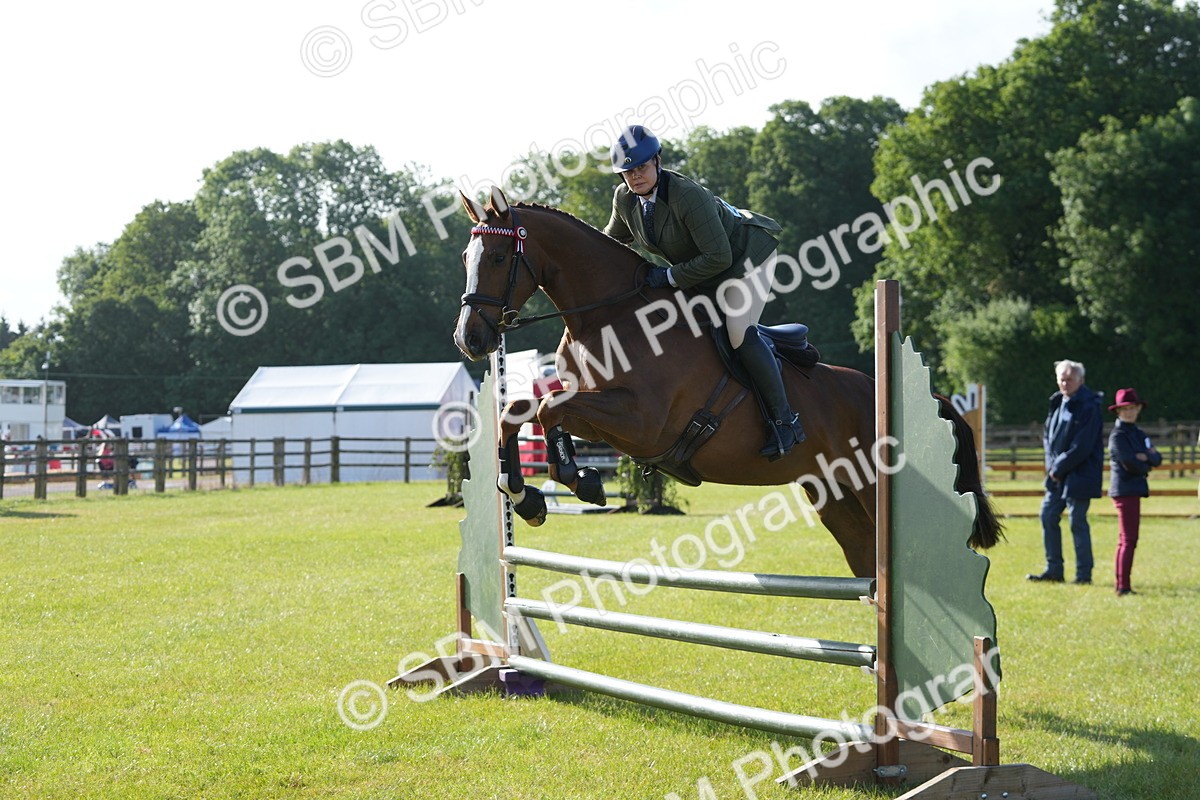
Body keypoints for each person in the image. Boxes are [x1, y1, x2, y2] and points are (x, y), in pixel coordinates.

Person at [603, 125, 804, 459]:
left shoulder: (686, 195)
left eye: (640, 167)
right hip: (704, 269)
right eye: (627, 171)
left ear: (657, 161)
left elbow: (719, 257)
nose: (634, 176)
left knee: (739, 330)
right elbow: (610, 242)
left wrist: (668, 277)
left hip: (747, 258)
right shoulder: (625, 199)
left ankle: (786, 421)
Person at [1028, 359, 1104, 584]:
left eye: (1070, 378)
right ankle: (1054, 570)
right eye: (1062, 378)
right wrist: (1052, 467)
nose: (1065, 382)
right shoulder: (1057, 402)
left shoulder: (1090, 406)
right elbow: (1047, 438)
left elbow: (1082, 445)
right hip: (1056, 476)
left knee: (1077, 521)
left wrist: (1059, 467)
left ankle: (1083, 575)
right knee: (1048, 516)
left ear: (1080, 380)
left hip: (1080, 474)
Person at [1107, 388, 1161, 596]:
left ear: (1138, 408)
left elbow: (1158, 458)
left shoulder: (1138, 433)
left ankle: (1123, 583)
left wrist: (1145, 457)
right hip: (1124, 490)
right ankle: (1123, 586)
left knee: (1127, 539)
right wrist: (1145, 460)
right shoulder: (1118, 436)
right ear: (1118, 411)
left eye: (1133, 407)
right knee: (1128, 539)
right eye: (1125, 408)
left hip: (1133, 489)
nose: (1129, 412)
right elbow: (1130, 463)